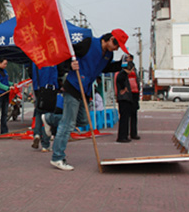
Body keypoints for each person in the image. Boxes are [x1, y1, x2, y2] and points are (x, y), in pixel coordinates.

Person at [50, 29, 130, 171]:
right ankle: (57, 157)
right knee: (68, 124)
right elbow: (66, 54)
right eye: (117, 45)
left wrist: (121, 65)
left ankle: (50, 119)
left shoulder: (109, 55)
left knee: (83, 120)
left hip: (85, 90)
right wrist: (69, 65)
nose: (117, 49)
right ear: (111, 39)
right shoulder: (88, 43)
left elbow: (105, 68)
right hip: (74, 86)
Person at [31, 64, 58, 151]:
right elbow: (61, 70)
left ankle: (37, 134)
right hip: (51, 87)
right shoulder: (53, 57)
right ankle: (45, 145)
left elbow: (30, 72)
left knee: (38, 112)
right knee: (48, 115)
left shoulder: (35, 57)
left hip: (38, 87)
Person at [115, 62, 139, 142]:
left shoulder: (122, 74)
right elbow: (119, 80)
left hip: (125, 98)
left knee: (125, 118)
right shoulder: (122, 74)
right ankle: (122, 136)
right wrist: (124, 88)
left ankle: (124, 135)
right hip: (124, 99)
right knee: (124, 118)